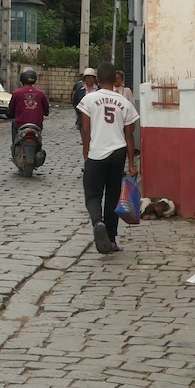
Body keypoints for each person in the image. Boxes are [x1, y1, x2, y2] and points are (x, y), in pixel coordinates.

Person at [78, 63, 138, 254]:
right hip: (118, 152)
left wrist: (86, 151)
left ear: (97, 80)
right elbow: (130, 135)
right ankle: (111, 240)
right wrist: (132, 164)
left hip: (96, 153)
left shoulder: (89, 99)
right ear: (115, 80)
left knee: (93, 194)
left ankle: (98, 223)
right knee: (112, 197)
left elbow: (85, 128)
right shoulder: (124, 102)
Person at [10, 67, 50, 147]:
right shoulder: (40, 94)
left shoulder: (17, 93)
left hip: (20, 125)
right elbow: (46, 111)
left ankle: (15, 145)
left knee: (13, 124)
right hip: (36, 125)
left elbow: (11, 110)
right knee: (38, 143)